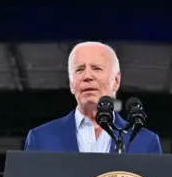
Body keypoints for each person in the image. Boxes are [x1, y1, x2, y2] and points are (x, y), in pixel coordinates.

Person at [24, 41, 162, 154]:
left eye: (96, 68)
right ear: (71, 84)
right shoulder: (41, 138)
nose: (87, 76)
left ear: (116, 81)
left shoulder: (145, 142)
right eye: (79, 69)